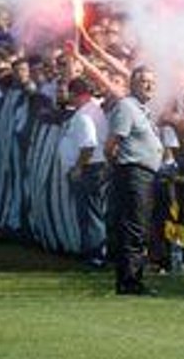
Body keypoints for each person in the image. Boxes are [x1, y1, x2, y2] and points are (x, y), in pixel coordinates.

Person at [106, 66, 163, 295]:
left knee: (138, 227)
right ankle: (130, 281)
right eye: (143, 81)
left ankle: (132, 278)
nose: (148, 85)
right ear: (132, 83)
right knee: (134, 227)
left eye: (151, 81)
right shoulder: (127, 107)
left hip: (143, 174)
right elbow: (111, 145)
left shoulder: (142, 110)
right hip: (133, 172)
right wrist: (122, 168)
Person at [59, 77, 109, 266]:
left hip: (90, 168)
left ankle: (95, 256)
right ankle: (94, 252)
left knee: (90, 213)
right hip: (95, 166)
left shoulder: (84, 115)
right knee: (92, 212)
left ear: (74, 94)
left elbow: (88, 145)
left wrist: (78, 168)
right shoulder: (93, 110)